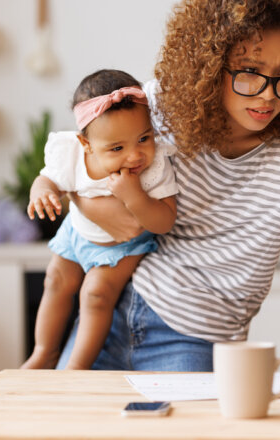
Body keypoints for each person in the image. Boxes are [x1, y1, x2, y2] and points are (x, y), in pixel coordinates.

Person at [59, 0, 280, 371]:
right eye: (250, 72)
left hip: (195, 339)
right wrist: (87, 202)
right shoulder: (162, 110)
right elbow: (82, 161)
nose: (267, 95)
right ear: (209, 66)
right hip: (109, 308)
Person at [22, 69, 178, 370]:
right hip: (76, 232)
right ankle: (44, 352)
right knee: (55, 281)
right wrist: (40, 192)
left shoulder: (155, 165)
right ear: (87, 144)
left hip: (120, 248)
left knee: (95, 296)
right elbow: (48, 179)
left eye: (143, 138)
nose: (135, 156)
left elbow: (165, 221)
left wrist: (135, 196)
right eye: (117, 148)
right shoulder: (70, 153)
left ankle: (75, 368)